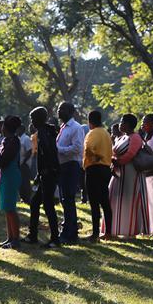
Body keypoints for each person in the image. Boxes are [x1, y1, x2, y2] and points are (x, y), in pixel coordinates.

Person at [24, 107, 61, 248]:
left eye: (33, 118)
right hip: (46, 174)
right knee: (35, 203)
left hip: (49, 174)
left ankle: (55, 239)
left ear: (39, 119)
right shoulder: (45, 131)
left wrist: (45, 171)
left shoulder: (44, 133)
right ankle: (32, 235)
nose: (31, 121)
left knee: (48, 206)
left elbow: (49, 153)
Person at [108, 114, 149, 238]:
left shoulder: (135, 137)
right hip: (118, 172)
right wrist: (113, 161)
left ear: (129, 124)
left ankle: (130, 231)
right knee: (115, 199)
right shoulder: (122, 137)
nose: (120, 124)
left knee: (129, 200)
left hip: (131, 173)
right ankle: (115, 228)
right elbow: (113, 152)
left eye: (122, 122)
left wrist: (118, 161)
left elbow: (131, 154)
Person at [0, 115, 23, 249]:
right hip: (6, 175)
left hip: (11, 175)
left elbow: (4, 160)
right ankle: (10, 238)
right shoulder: (8, 140)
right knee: (7, 208)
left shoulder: (13, 141)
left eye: (2, 125)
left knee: (10, 209)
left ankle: (16, 239)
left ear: (6, 127)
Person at [56, 102, 85, 243]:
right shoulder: (63, 127)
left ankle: (70, 233)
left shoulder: (76, 128)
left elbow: (77, 148)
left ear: (71, 111)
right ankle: (68, 229)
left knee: (68, 199)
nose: (58, 111)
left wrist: (59, 150)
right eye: (58, 109)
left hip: (71, 166)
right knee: (64, 200)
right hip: (63, 167)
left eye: (62, 109)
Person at [83, 110, 113, 242]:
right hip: (106, 169)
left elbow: (89, 147)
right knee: (105, 202)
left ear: (90, 120)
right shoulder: (106, 133)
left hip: (94, 169)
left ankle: (95, 234)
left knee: (94, 202)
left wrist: (94, 157)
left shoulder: (93, 132)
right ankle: (108, 232)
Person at [18, 124, 34, 204]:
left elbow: (30, 151)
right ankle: (22, 197)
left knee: (25, 182)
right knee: (20, 182)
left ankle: (27, 198)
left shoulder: (26, 138)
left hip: (25, 164)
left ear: (21, 129)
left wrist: (24, 161)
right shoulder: (19, 138)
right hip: (19, 163)